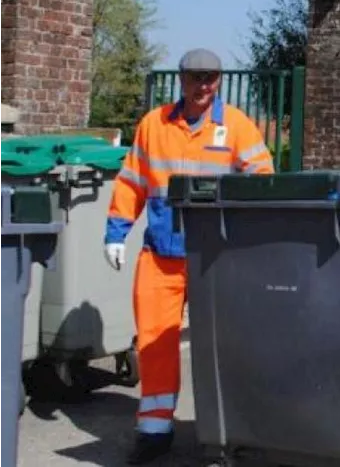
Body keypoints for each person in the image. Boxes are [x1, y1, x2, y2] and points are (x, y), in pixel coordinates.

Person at [102, 48, 275, 464]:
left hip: (216, 256)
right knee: (154, 341)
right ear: (181, 79)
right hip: (162, 254)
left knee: (226, 343)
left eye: (211, 78)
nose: (204, 86)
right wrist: (116, 231)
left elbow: (263, 180)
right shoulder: (153, 125)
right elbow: (132, 182)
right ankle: (156, 428)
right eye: (196, 77)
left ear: (218, 80)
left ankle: (232, 429)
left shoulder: (235, 125)